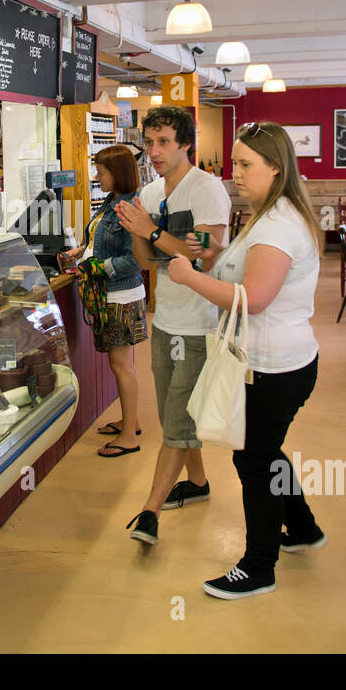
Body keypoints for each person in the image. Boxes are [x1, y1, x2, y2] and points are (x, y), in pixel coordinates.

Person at [165, 120, 323, 599]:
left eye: (245, 164)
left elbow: (253, 298)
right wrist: (216, 251)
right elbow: (246, 270)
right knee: (265, 450)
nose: (235, 172)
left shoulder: (276, 225)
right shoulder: (270, 213)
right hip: (281, 360)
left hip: (274, 366)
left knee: (253, 460)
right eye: (234, 162)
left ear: (275, 168)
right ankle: (302, 528)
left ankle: (259, 567)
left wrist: (188, 277)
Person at [115, 106, 231, 545]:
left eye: (164, 141)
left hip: (201, 322)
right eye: (149, 142)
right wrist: (140, 232)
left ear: (185, 144)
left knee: (179, 418)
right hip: (164, 320)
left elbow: (205, 253)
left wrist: (150, 229)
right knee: (171, 415)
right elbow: (146, 262)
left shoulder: (208, 190)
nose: (155, 150)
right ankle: (197, 483)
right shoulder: (148, 194)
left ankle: (149, 512)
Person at [58, 145, 147, 458]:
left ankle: (129, 438)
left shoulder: (130, 207)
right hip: (114, 295)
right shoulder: (113, 201)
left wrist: (98, 267)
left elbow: (135, 260)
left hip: (120, 295)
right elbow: (99, 240)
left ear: (118, 173)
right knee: (125, 363)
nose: (96, 176)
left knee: (121, 365)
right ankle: (130, 422)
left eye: (101, 171)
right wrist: (80, 253)